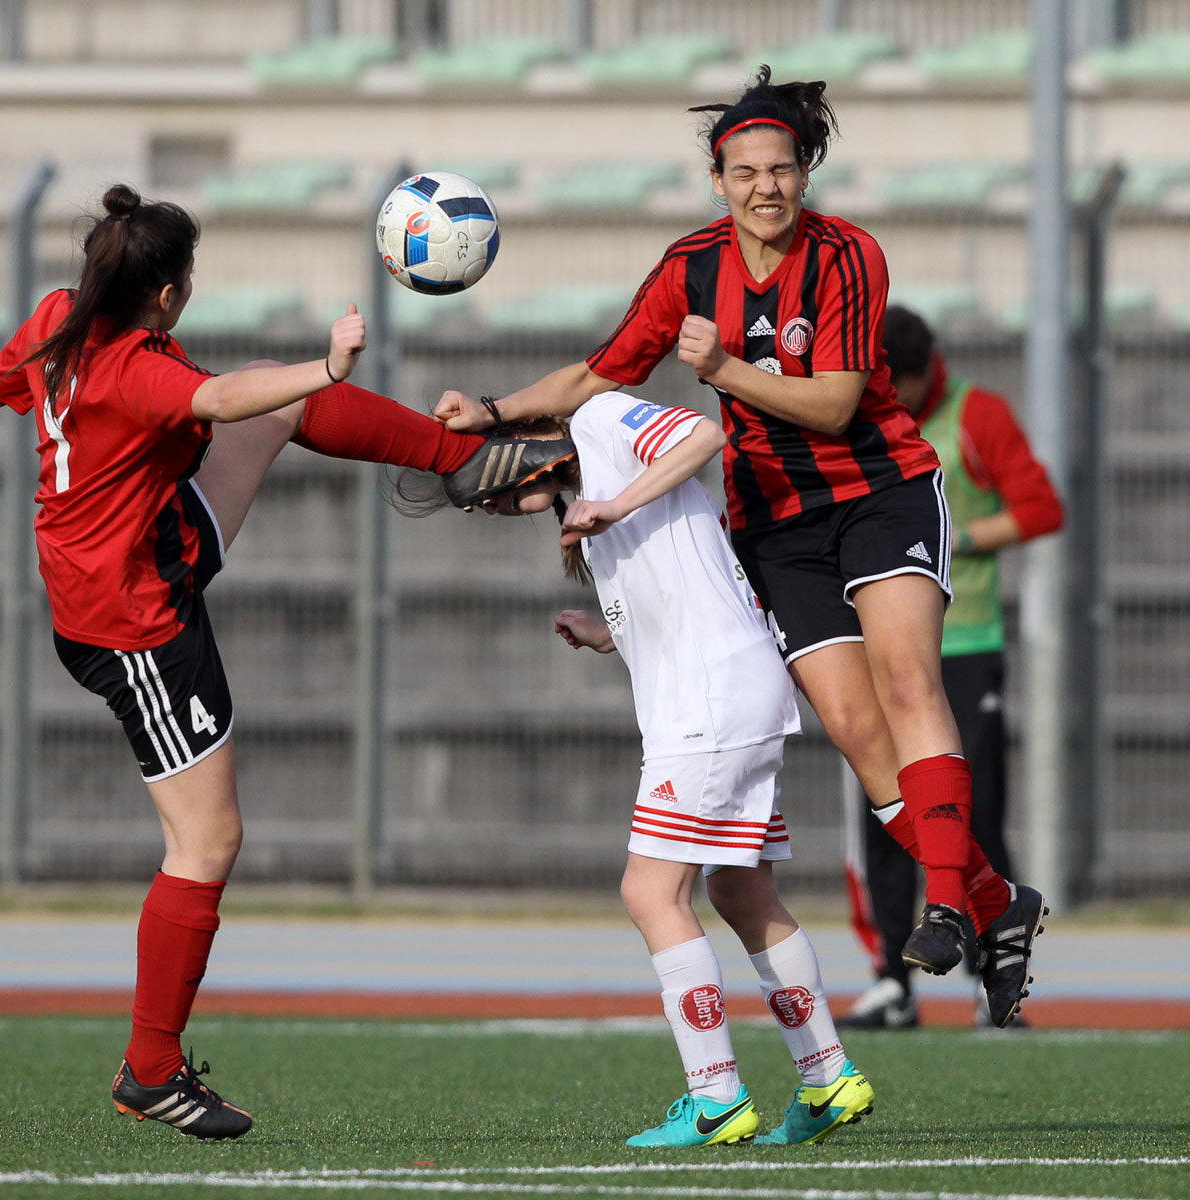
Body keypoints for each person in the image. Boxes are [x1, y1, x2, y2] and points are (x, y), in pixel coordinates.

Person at [436, 67, 1044, 1026]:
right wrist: (495, 409)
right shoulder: (690, 266)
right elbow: (599, 376)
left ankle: (944, 905)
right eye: (744, 170)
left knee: (907, 681)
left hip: (879, 490)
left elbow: (839, 403)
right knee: (852, 728)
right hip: (775, 519)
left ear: (806, 171)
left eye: (782, 167)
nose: (765, 185)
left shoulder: (848, 255)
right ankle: (996, 900)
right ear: (717, 182)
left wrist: (722, 368)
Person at [0, 184, 571, 1140]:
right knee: (205, 845)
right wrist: (323, 364)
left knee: (273, 405)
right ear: (165, 293)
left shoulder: (57, 321)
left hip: (131, 555)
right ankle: (150, 1071)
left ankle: (453, 458)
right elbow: (212, 397)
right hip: (135, 617)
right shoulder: (136, 369)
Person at [421, 390, 874, 1147]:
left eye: (483, 482)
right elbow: (680, 592)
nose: (487, 503)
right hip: (726, 694)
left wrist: (612, 502)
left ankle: (716, 1098)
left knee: (649, 890)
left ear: (519, 439)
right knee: (739, 887)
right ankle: (828, 1077)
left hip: (711, 702)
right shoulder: (586, 511)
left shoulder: (598, 423)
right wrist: (608, 635)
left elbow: (703, 433)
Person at [839, 306, 1064, 1030]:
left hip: (963, 647)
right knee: (885, 814)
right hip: (879, 647)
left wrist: (951, 536)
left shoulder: (977, 413)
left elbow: (1039, 507)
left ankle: (984, 970)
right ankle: (890, 980)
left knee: (975, 812)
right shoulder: (853, 411)